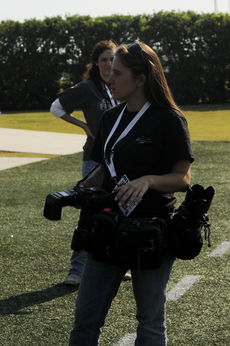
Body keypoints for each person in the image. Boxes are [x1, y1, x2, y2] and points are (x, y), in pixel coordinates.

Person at [68, 42, 195, 346]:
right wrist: (84, 185)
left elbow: (182, 178)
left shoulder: (169, 119)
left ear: (141, 79)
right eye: (109, 73)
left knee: (150, 323)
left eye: (117, 74)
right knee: (85, 320)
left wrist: (147, 180)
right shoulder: (111, 118)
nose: (109, 80)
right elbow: (105, 164)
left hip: (150, 231)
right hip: (107, 227)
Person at [50, 40, 127, 286]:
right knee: (90, 212)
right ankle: (76, 271)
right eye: (103, 59)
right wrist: (83, 125)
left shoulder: (123, 84)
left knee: (119, 211)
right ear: (96, 62)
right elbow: (56, 107)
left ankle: (116, 263)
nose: (107, 64)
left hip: (123, 159)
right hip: (95, 158)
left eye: (111, 59)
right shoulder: (88, 88)